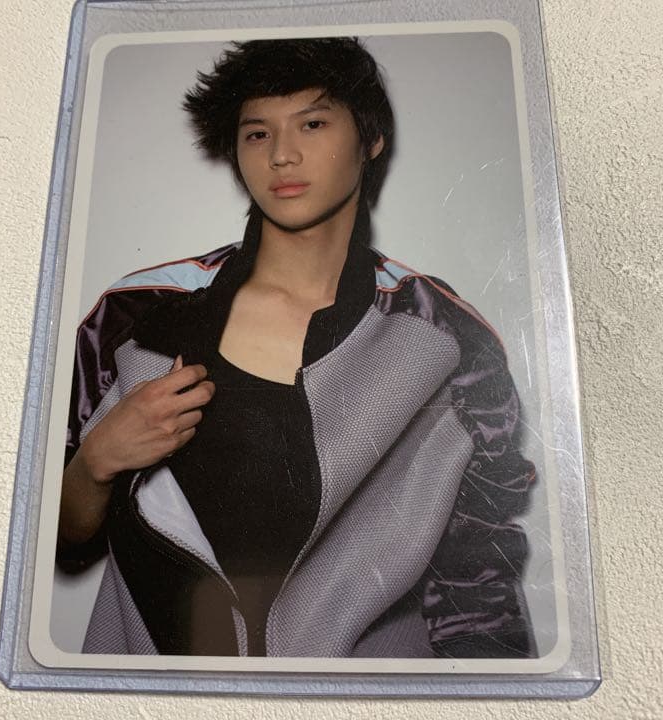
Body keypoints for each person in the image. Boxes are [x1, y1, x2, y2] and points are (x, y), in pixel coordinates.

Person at [58, 37, 537, 658]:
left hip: (355, 695)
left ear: (370, 140)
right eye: (257, 133)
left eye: (312, 123)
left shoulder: (441, 337)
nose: (282, 155)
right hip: (163, 689)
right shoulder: (140, 314)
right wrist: (98, 460)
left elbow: (478, 582)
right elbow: (55, 542)